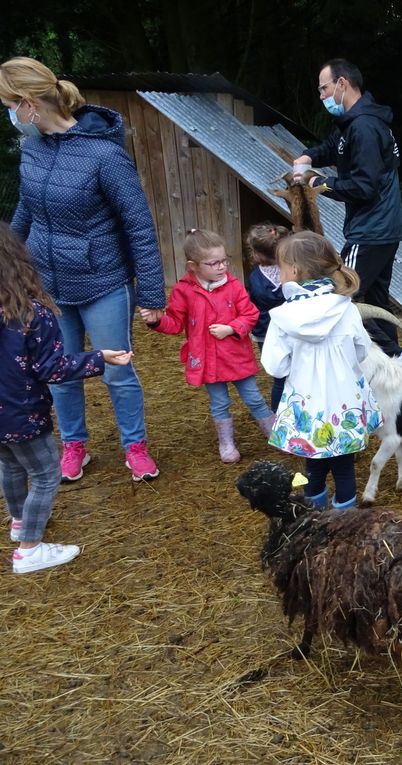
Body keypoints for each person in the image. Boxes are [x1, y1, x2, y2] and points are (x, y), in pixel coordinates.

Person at [0, 56, 164, 483]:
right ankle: (73, 445)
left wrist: (151, 296)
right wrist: (7, 264)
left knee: (117, 369)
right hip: (48, 284)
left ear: (29, 103)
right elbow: (26, 210)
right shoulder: (31, 147)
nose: (9, 115)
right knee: (57, 371)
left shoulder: (104, 156)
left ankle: (136, 447)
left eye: (9, 105)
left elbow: (139, 226)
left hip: (104, 282)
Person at [0, 222, 134, 573]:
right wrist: (99, 357)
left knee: (10, 465)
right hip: (23, 414)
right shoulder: (32, 314)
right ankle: (30, 549)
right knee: (45, 473)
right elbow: (51, 369)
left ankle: (19, 523)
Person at [260, 231, 382, 510]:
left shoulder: (283, 317)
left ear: (293, 269)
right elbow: (362, 350)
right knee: (344, 467)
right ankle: (345, 526)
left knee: (312, 467)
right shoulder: (346, 308)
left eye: (280, 267)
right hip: (345, 404)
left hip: (307, 407)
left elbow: (275, 366)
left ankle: (312, 520)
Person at [292, 58, 402, 358]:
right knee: (377, 302)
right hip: (385, 228)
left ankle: (328, 360)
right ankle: (393, 361)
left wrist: (320, 182)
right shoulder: (354, 122)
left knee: (339, 292)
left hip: (370, 229)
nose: (321, 96)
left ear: (342, 84)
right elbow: (332, 147)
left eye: (324, 89)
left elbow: (364, 188)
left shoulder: (365, 128)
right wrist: (307, 157)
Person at [140, 229, 275, 464]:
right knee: (220, 402)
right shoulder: (184, 290)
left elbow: (251, 314)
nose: (221, 267)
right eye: (213, 263)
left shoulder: (233, 286)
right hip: (208, 360)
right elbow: (174, 323)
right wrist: (157, 321)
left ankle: (276, 434)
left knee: (253, 397)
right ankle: (226, 442)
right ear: (193, 266)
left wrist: (231, 328)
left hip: (235, 356)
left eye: (224, 260)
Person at [245, 222, 290, 412]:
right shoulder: (293, 273)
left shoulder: (255, 279)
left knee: (279, 378)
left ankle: (279, 419)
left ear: (257, 254)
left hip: (266, 334)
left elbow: (250, 305)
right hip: (292, 331)